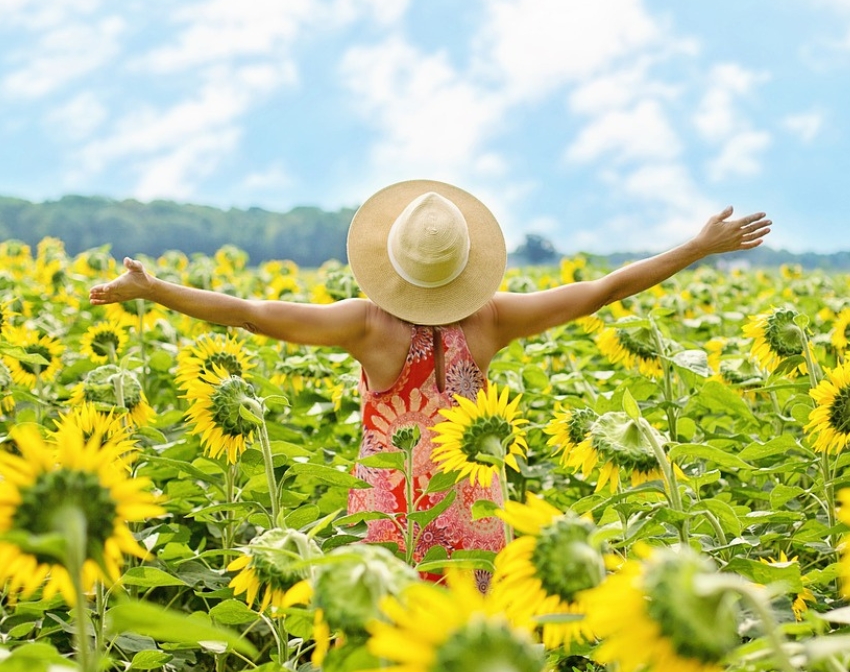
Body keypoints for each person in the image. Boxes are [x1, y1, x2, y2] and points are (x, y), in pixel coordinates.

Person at [90, 179, 771, 577]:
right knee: (471, 660)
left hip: (398, 517)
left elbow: (251, 313)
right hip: (477, 515)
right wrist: (695, 248)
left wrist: (157, 290)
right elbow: (601, 290)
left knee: (396, 659)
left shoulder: (367, 327)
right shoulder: (494, 319)